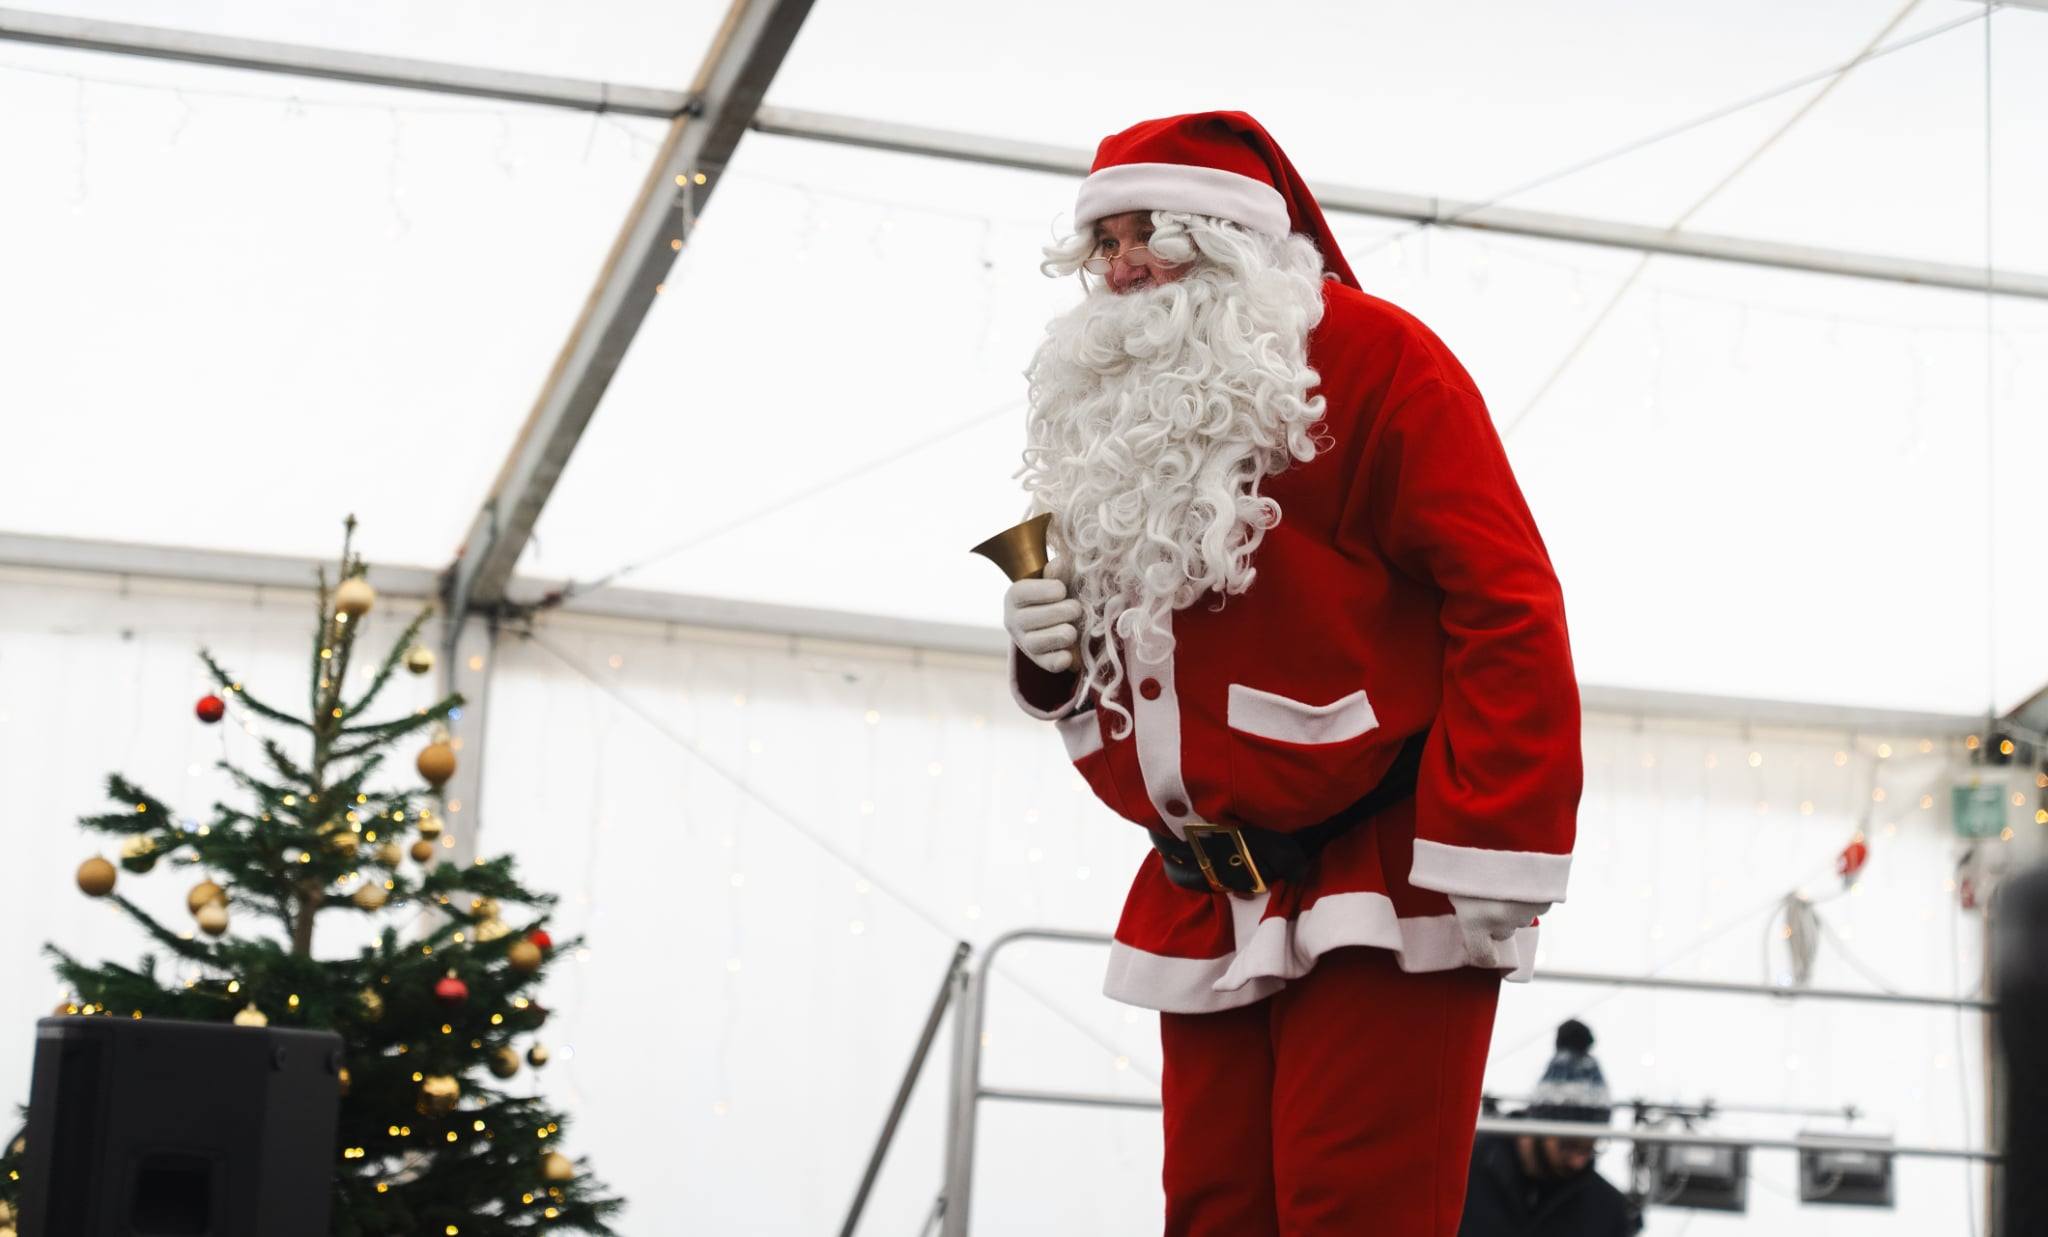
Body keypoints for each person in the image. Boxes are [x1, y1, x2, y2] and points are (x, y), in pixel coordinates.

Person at [999, 112, 1583, 1235]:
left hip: (1381, 873)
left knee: (1353, 1207)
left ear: (1228, 236)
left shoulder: (1379, 358)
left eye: (1149, 233)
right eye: (1105, 241)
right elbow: (1143, 649)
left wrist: (1496, 836)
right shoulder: (1113, 397)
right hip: (1205, 881)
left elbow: (1506, 600)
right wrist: (1045, 654)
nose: (1122, 266)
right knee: (1213, 1210)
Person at [1460, 1020, 1641, 1236]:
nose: (1578, 1161)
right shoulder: (1465, 1173)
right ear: (1538, 1127)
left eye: (1590, 1148)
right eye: (1569, 1145)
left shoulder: (1608, 1212)